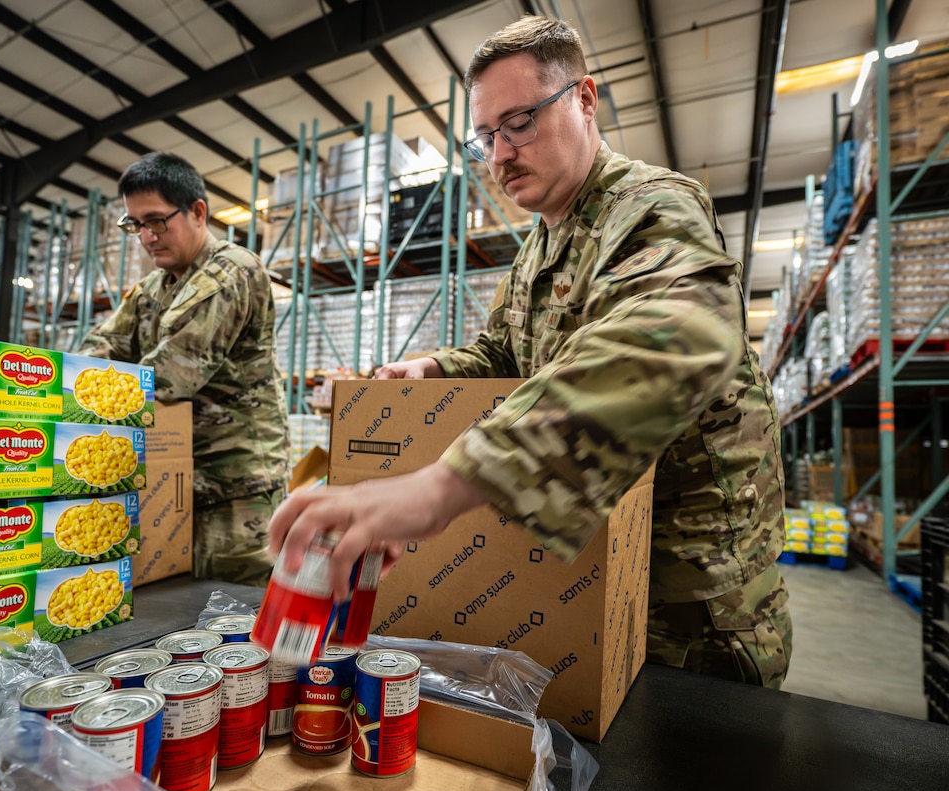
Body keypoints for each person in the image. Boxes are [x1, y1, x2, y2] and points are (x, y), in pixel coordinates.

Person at [268, 16, 791, 688]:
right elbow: (505, 353)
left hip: (693, 600)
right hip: (597, 569)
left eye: (518, 123)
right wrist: (434, 367)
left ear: (584, 99)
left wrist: (441, 487)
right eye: (485, 137)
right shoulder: (537, 251)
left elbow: (682, 329)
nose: (500, 156)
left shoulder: (650, 205)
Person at [80, 152, 289, 587]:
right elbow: (100, 347)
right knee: (178, 610)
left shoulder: (232, 271)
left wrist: (78, 411)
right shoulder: (152, 288)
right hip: (173, 481)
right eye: (135, 224)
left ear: (197, 212)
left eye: (156, 221)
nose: (146, 237)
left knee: (235, 610)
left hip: (235, 488)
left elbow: (172, 374)